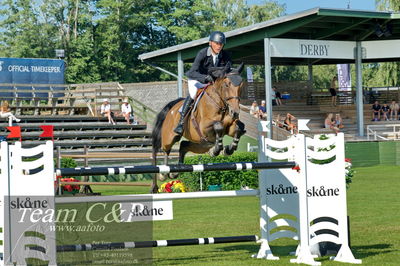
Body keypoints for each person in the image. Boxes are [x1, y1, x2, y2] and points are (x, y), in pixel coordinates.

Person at [174, 31, 232, 136]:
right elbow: (192, 72)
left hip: (213, 83)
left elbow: (228, 70)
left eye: (221, 44)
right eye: (216, 43)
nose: (219, 46)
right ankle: (181, 123)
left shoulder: (225, 55)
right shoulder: (203, 53)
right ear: (210, 43)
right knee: (192, 94)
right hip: (197, 80)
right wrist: (204, 78)